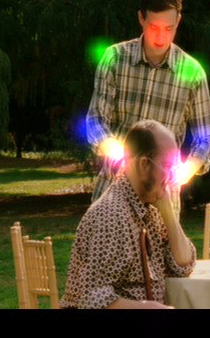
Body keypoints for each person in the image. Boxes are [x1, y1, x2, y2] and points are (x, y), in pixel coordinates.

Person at [85, 0, 210, 217]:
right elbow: (95, 122)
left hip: (163, 204)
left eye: (169, 29)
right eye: (154, 27)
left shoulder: (192, 73)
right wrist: (120, 154)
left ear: (178, 21)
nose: (160, 37)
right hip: (113, 197)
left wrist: (186, 170)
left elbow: (205, 138)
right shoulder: (115, 59)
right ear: (141, 18)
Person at [60, 120, 197, 309]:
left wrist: (167, 211)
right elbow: (91, 298)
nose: (171, 176)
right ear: (144, 164)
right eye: (166, 166)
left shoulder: (150, 210)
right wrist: (148, 308)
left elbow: (183, 265)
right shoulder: (111, 215)